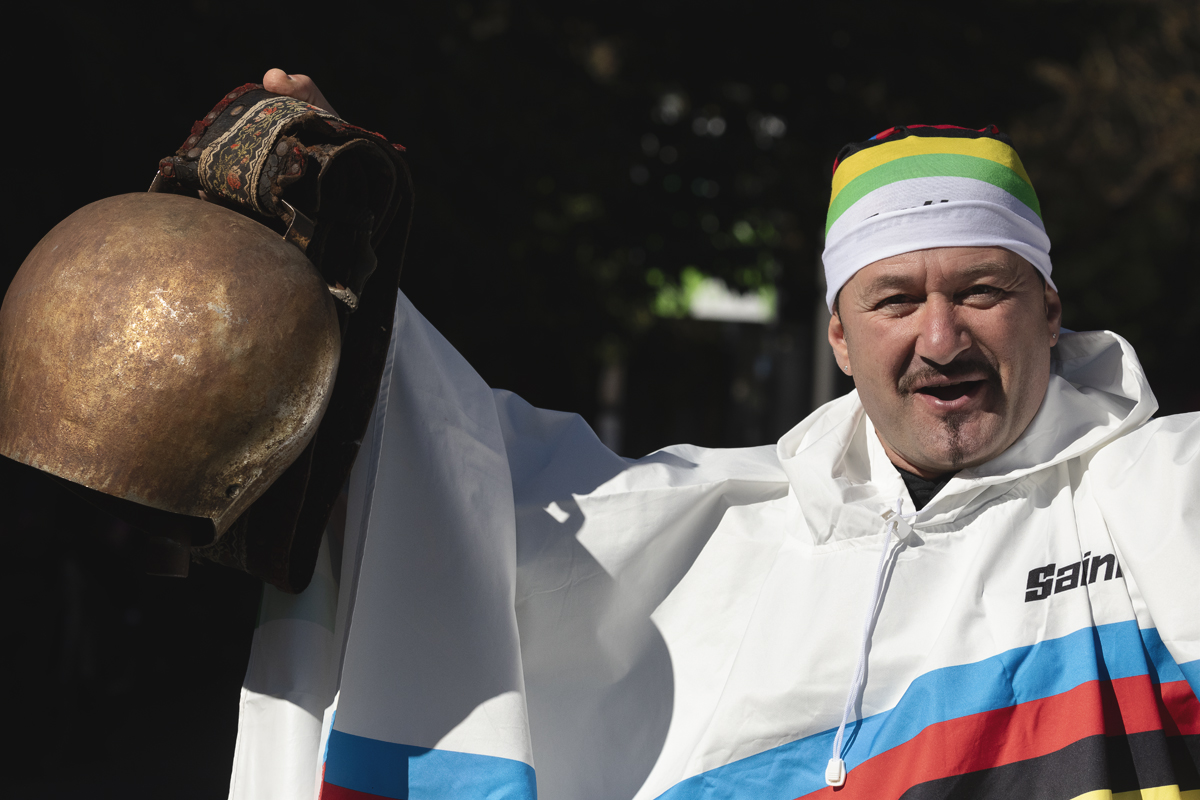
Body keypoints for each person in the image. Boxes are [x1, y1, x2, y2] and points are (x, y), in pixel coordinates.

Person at [230, 72, 1200, 800]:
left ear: (1050, 309)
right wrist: (341, 281)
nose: (940, 337)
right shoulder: (740, 527)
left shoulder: (1149, 497)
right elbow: (463, 487)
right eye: (896, 299)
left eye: (981, 290)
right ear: (840, 336)